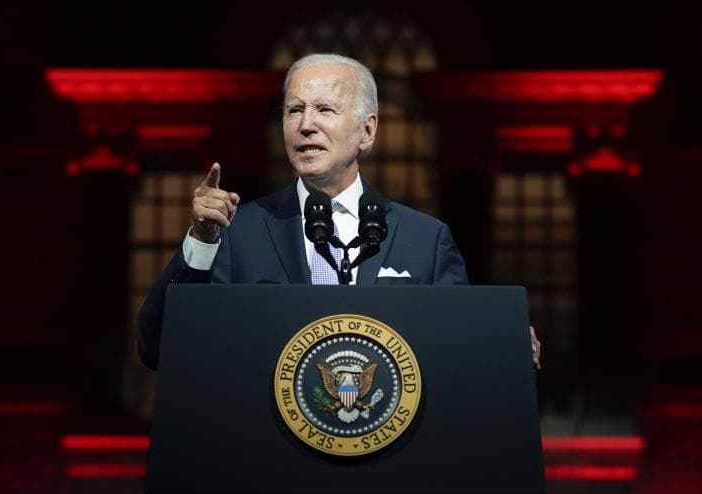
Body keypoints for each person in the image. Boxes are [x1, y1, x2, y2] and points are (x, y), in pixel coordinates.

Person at [136, 52, 539, 371]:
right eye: (294, 110)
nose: (305, 125)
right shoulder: (238, 232)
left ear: (367, 130)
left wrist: (501, 344)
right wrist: (202, 242)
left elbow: (457, 353)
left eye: (325, 109)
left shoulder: (425, 240)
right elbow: (158, 346)